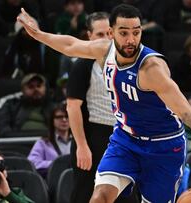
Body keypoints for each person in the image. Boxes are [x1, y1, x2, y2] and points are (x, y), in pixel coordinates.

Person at [16, 4, 191, 202]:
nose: (131, 39)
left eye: (136, 32)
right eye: (123, 33)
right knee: (100, 197)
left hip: (163, 146)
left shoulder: (152, 69)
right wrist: (37, 34)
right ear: (111, 32)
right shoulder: (104, 51)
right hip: (125, 140)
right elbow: (70, 45)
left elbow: (187, 113)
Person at [66, 12, 138, 203]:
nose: (105, 39)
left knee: (126, 194)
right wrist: (81, 146)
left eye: (108, 33)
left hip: (123, 135)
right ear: (88, 36)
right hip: (92, 137)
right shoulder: (82, 65)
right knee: (86, 192)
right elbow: (72, 107)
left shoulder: (129, 62)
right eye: (99, 35)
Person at [0, 73, 53, 137]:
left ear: (45, 88)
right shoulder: (11, 105)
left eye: (39, 86)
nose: (36, 89)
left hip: (48, 143)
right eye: (31, 87)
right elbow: (3, 129)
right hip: (18, 143)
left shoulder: (53, 107)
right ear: (23, 90)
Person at [27, 103, 71, 177]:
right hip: (52, 181)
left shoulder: (80, 142)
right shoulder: (43, 142)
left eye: (67, 116)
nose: (64, 119)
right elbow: (32, 162)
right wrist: (57, 164)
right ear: (52, 120)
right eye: (59, 117)